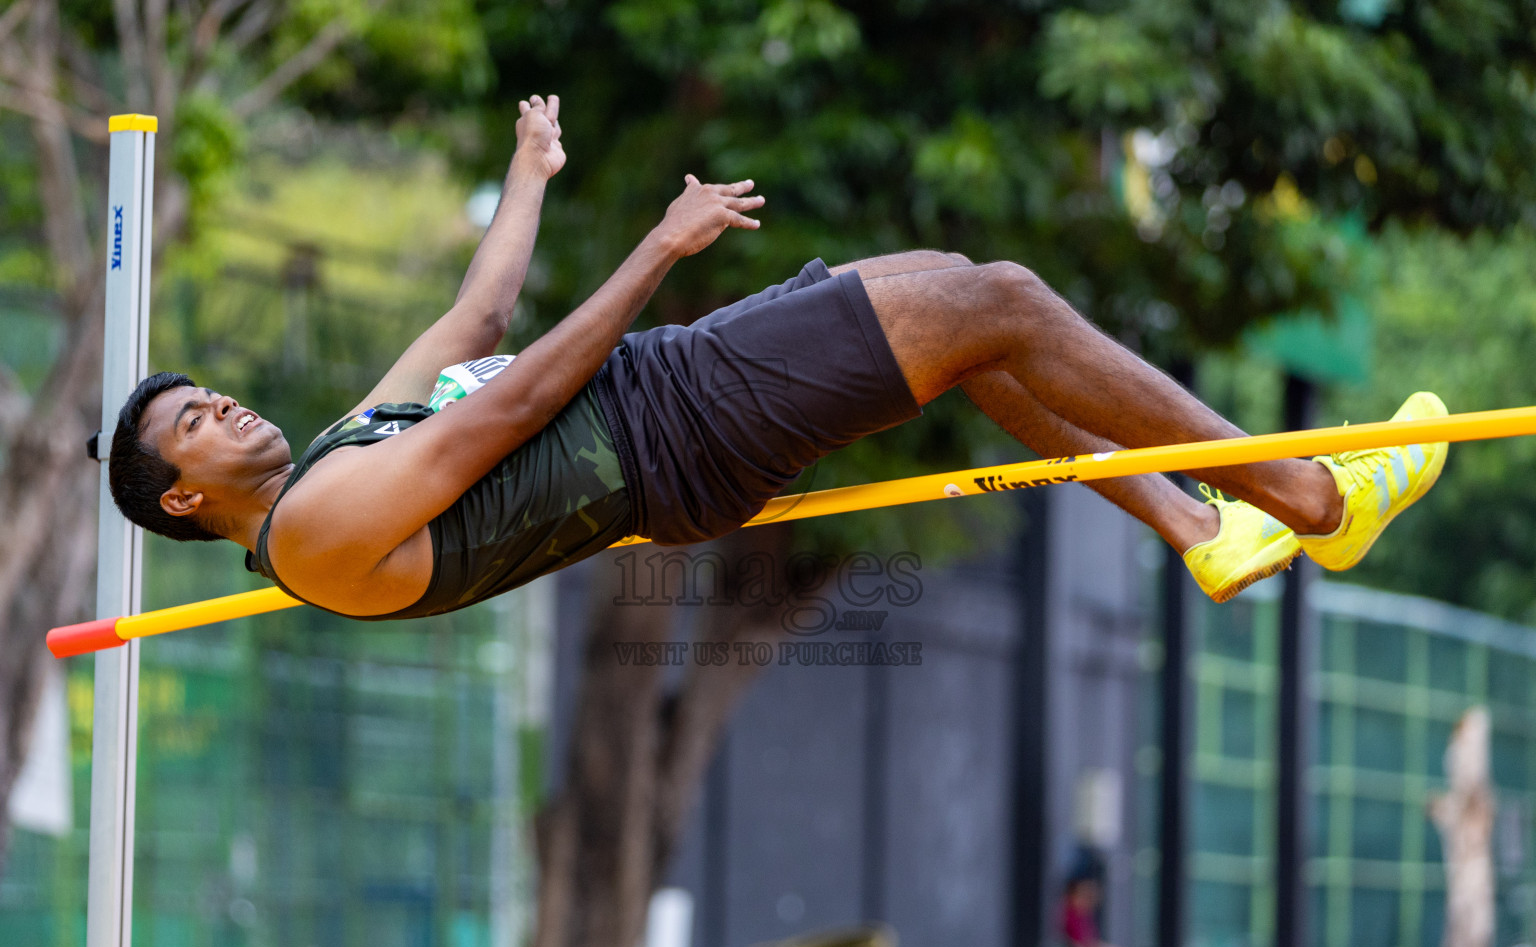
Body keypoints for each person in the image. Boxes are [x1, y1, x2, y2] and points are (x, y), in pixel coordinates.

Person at [107, 94, 1447, 621]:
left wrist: (528, 175)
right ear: (184, 496)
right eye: (195, 422)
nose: (220, 405)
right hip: (670, 427)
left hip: (673, 403)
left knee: (974, 339)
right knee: (1003, 299)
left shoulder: (335, 463)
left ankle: (1195, 524)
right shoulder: (322, 532)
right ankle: (1314, 501)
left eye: (207, 393)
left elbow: (473, 333)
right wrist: (658, 245)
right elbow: (512, 403)